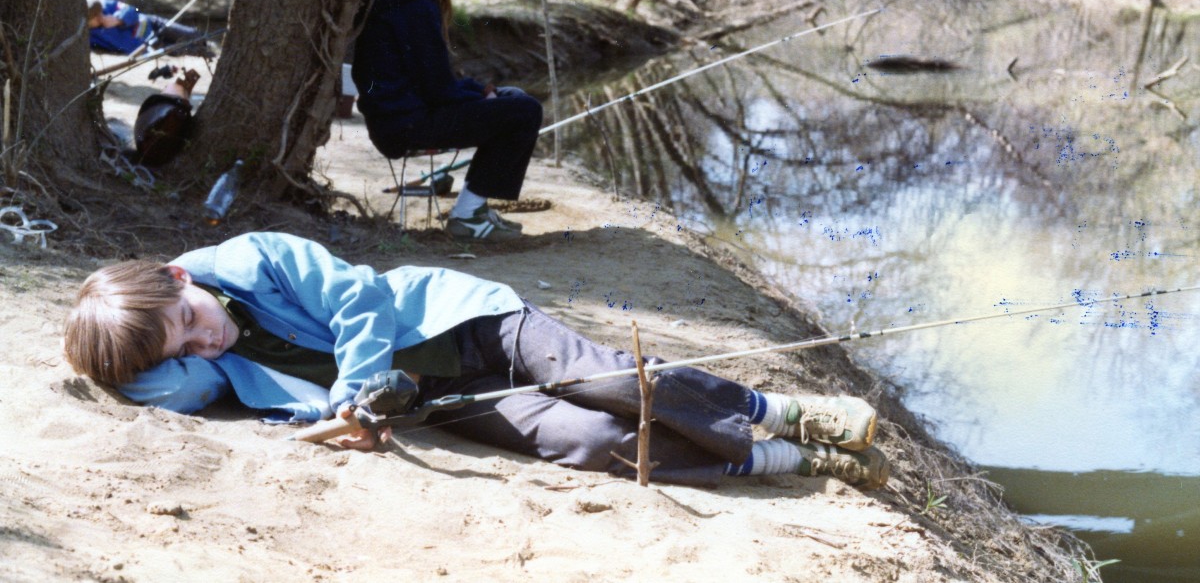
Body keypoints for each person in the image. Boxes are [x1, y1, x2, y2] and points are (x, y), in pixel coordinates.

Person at [62, 232, 889, 490]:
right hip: (444, 397)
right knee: (590, 442)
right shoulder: (194, 362)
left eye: (192, 320)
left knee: (605, 380)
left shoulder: (253, 257)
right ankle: (783, 459)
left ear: (181, 276)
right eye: (186, 349)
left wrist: (354, 390)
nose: (207, 343)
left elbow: (360, 301)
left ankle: (774, 410)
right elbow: (164, 387)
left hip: (474, 324)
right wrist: (131, 359)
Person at [351, 0, 543, 242]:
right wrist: (482, 98)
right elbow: (437, 89)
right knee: (524, 111)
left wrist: (483, 93)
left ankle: (474, 210)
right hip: (406, 123)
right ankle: (467, 217)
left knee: (513, 98)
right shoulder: (415, 6)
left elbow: (435, 80)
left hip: (399, 117)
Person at [85, 0, 212, 58]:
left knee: (193, 35)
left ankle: (208, 44)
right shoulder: (90, 36)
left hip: (152, 23)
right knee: (189, 50)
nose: (100, 17)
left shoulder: (106, 5)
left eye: (100, 13)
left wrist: (119, 19)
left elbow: (133, 10)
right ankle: (209, 54)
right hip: (148, 45)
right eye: (95, 17)